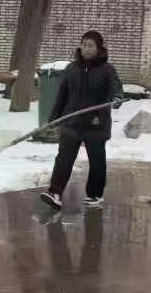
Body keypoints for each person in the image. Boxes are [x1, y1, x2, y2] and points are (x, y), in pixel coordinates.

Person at [40, 30, 121, 211]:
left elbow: (115, 89)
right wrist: (53, 119)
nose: (86, 49)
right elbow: (61, 96)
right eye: (84, 45)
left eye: (90, 45)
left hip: (96, 122)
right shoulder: (72, 69)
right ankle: (55, 193)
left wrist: (116, 98)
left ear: (99, 48)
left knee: (97, 160)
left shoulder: (107, 70)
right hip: (72, 122)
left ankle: (95, 194)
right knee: (63, 159)